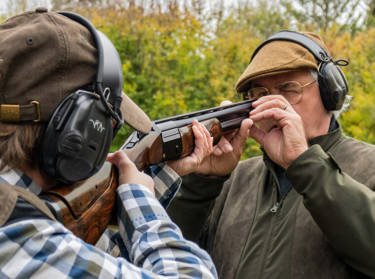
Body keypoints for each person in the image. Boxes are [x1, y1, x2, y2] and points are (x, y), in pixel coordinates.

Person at [0, 8, 218, 279]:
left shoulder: (20, 219)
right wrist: (142, 200)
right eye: (108, 127)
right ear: (81, 132)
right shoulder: (17, 236)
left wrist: (163, 171)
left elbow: (99, 258)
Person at [167, 30, 375, 278]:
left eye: (288, 88)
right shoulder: (235, 179)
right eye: (260, 95)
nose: (273, 105)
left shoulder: (369, 165)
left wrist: (305, 164)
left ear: (330, 92)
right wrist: (202, 182)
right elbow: (166, 262)